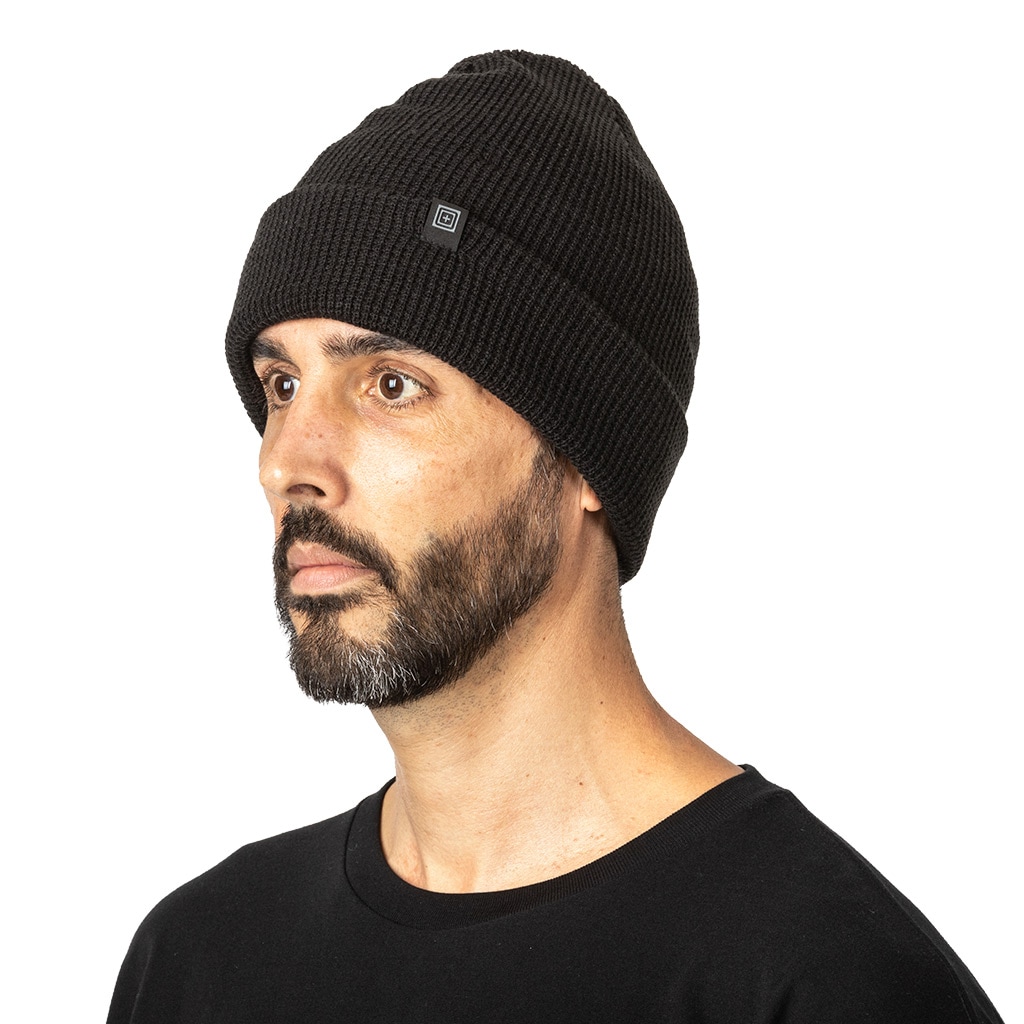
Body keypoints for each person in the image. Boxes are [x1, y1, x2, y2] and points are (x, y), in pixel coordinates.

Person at [107, 50, 1004, 1023]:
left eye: (391, 385)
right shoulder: (202, 959)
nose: (287, 462)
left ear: (583, 457)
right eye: (282, 384)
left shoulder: (823, 984)